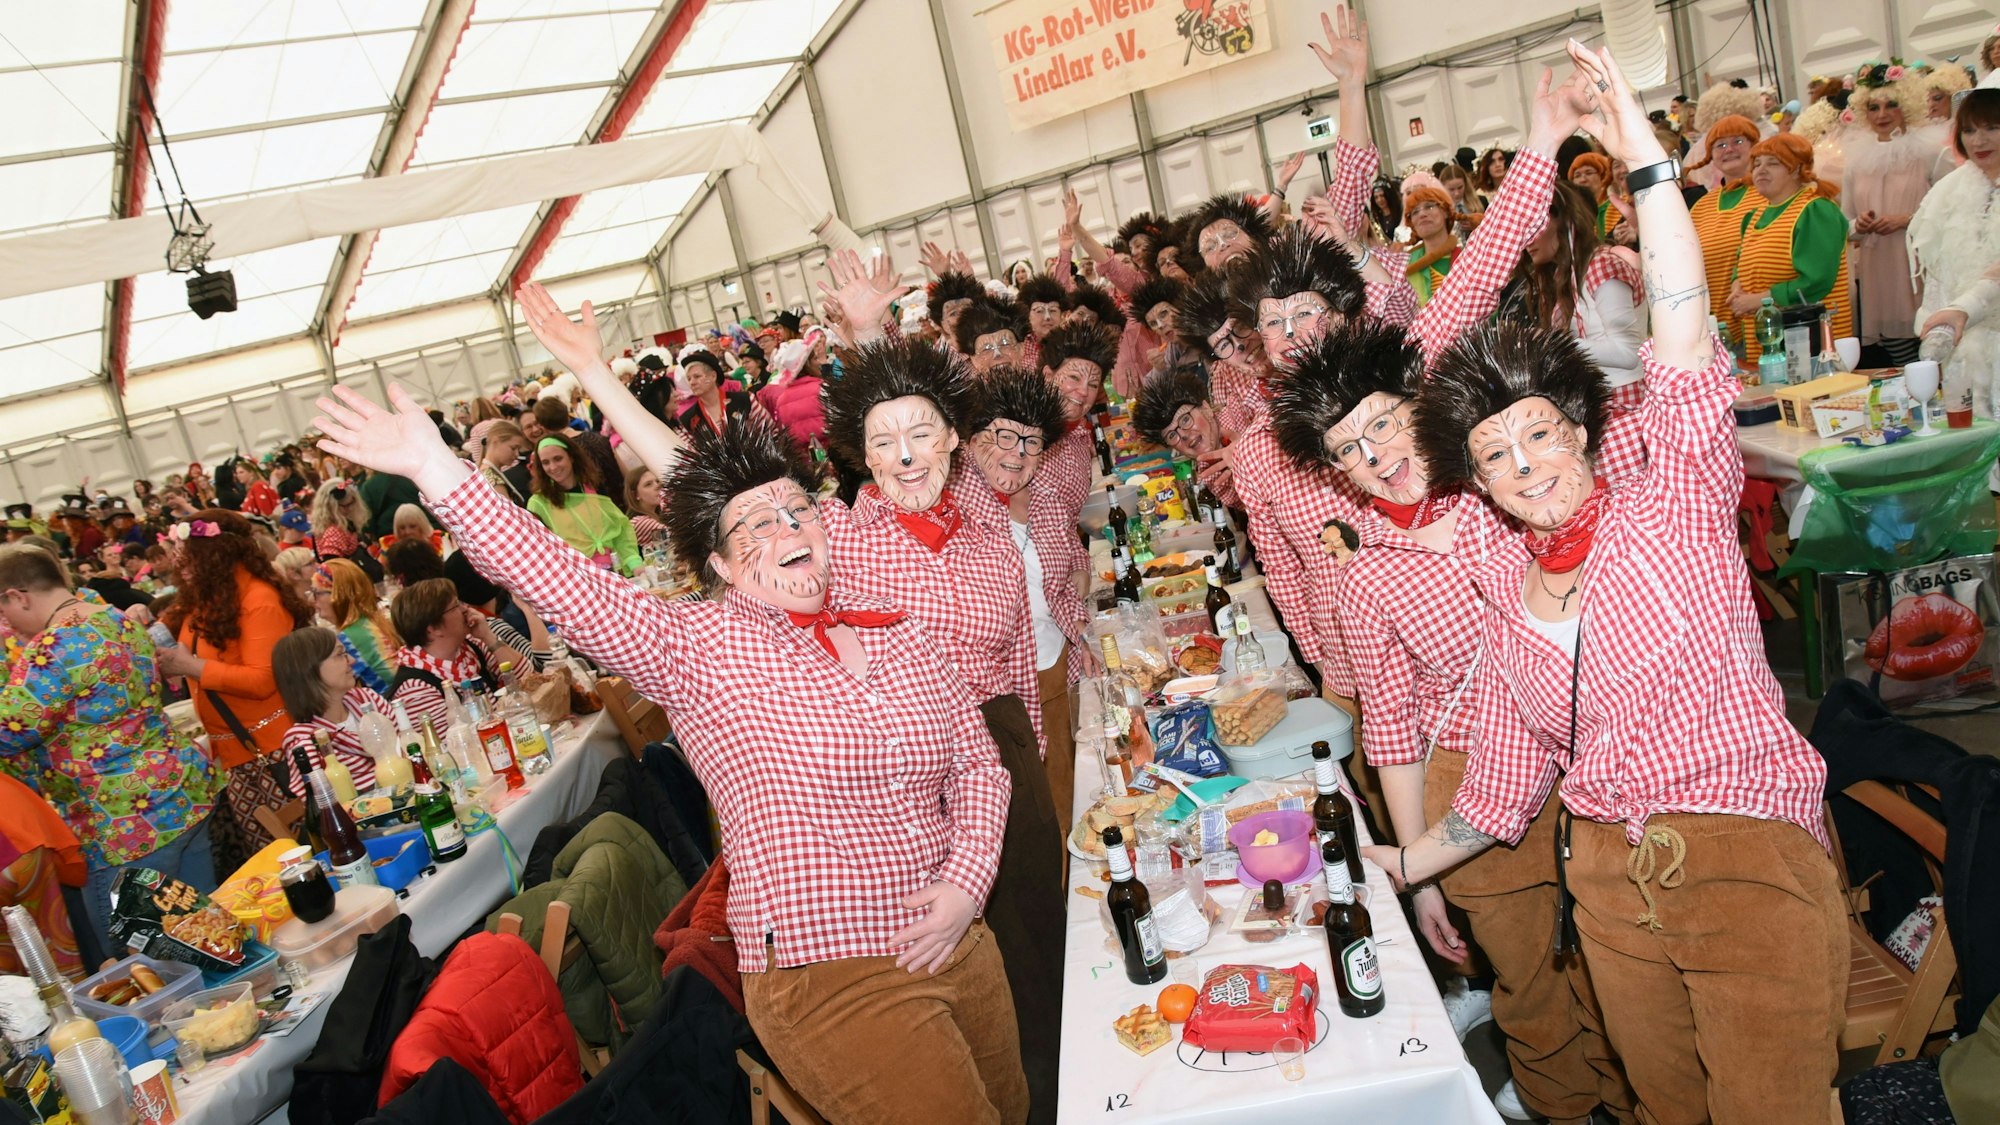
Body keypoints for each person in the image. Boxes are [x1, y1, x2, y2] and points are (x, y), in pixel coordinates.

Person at [312, 375, 1026, 1125]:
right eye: (754, 526)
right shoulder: (702, 648)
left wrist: (966, 885)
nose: (787, 530)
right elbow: (565, 582)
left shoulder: (896, 630)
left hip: (958, 936)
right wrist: (439, 473)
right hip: (835, 972)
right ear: (718, 566)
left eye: (797, 510)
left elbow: (978, 764)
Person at [1385, 42, 1846, 1123]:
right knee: (1665, 1112)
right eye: (1492, 457)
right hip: (1605, 886)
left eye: (1536, 436)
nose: (1520, 468)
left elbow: (1681, 325)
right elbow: (1498, 783)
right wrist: (1392, 862)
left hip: (1742, 853)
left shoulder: (1670, 499)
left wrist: (1639, 153)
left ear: (1583, 428)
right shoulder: (1504, 585)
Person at [817, 339, 1062, 1121]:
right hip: (910, 771)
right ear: (863, 458)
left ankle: (1068, 1090)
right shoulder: (843, 535)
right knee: (952, 958)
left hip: (1003, 743)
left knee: (1035, 936)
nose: (905, 454)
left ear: (955, 437)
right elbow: (739, 500)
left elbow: (1021, 638)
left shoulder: (985, 514)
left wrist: (1031, 747)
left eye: (921, 433)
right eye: (882, 442)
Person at [0, 545, 219, 958]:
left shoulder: (52, 649)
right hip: (180, 792)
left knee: (132, 967)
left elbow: (9, 730)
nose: (7, 622)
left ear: (19, 596)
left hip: (123, 821)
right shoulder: (115, 618)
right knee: (207, 939)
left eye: (3, 608)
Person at [951, 367, 1088, 817]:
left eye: (1032, 442)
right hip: (992, 698)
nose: (1018, 453)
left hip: (1056, 673)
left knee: (1070, 803)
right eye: (1004, 436)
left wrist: (1080, 625)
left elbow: (1073, 563)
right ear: (971, 439)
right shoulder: (951, 499)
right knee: (1025, 821)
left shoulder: (1047, 498)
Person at [152, 511, 313, 872]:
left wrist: (190, 667)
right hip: (238, 757)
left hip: (275, 751)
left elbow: (260, 681)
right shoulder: (206, 600)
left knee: (304, 857)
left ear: (217, 553)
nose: (178, 562)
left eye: (187, 552)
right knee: (277, 867)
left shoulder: (259, 599)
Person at [1510, 182, 1650, 477]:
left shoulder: (1600, 264)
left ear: (1563, 219)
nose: (1526, 240)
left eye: (1535, 226)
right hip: (1600, 412)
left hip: (1626, 415)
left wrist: (1549, 345)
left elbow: (1629, 352)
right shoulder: (1563, 277)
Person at [1911, 89, 2000, 419]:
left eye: (1992, 127)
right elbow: (1937, 267)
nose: (1979, 140)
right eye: (1969, 130)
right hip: (1963, 349)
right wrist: (1935, 329)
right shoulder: (1948, 190)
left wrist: (1963, 309)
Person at [1726, 133, 1853, 363]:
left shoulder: (1816, 211)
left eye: (1773, 163)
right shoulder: (1754, 216)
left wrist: (1760, 300)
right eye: (1757, 164)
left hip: (1814, 345)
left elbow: (1816, 281)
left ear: (1796, 170)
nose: (1761, 170)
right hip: (1768, 347)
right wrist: (1738, 284)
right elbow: (1741, 260)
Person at [1844, 74, 1938, 366]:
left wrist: (1906, 219)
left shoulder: (1930, 153)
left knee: (1931, 332)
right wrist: (1858, 225)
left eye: (1891, 105)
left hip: (1919, 263)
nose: (1882, 114)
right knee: (1894, 340)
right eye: (1873, 107)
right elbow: (1845, 221)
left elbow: (1951, 210)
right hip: (1879, 265)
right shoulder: (1856, 160)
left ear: (1906, 106)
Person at [387, 577, 524, 731]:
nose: (465, 608)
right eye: (456, 606)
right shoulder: (416, 688)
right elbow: (455, 746)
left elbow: (528, 681)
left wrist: (489, 637)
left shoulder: (472, 646)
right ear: (433, 629)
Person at [271, 627, 388, 797]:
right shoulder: (306, 742)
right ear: (309, 670)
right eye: (340, 654)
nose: (352, 660)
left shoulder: (368, 701)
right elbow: (326, 810)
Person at [1684, 114, 1766, 328]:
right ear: (1711, 155)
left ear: (1755, 147)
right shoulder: (1702, 206)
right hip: (1717, 324)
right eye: (1720, 145)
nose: (1729, 149)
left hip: (1762, 319)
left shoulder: (1769, 195)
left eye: (1738, 142)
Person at [526, 433, 641, 575]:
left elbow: (620, 529)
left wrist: (634, 563)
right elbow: (540, 550)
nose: (553, 467)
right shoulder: (538, 503)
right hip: (576, 579)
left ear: (572, 457)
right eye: (545, 462)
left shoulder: (595, 487)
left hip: (615, 572)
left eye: (558, 459)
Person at [1132, 366, 1242, 507]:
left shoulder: (1241, 414)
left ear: (1206, 408)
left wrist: (1248, 450)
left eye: (1185, 420)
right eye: (1172, 435)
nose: (1183, 435)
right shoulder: (1207, 471)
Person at [310, 558, 399, 693]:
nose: (312, 600)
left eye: (317, 593)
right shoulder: (367, 622)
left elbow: (328, 692)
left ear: (339, 596)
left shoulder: (351, 636)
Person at [674, 349, 761, 441]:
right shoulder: (687, 419)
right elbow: (691, 452)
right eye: (688, 379)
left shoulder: (745, 399)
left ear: (713, 376)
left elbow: (769, 431)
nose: (692, 382)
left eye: (697, 376)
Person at [1403, 174, 1460, 306]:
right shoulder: (1405, 264)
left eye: (1429, 206)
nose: (1422, 214)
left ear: (1445, 212)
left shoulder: (1467, 258)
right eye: (1415, 212)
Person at [470, 419, 533, 506]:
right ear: (496, 441)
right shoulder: (493, 479)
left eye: (518, 449)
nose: (517, 454)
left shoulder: (486, 473)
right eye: (513, 448)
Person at [624, 465, 666, 552]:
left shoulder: (656, 513)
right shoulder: (639, 521)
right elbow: (680, 536)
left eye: (657, 481)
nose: (657, 486)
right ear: (636, 495)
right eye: (648, 484)